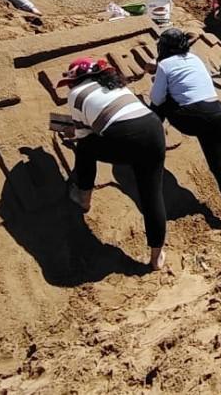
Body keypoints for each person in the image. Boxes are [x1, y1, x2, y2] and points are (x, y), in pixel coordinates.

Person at [58, 57, 166, 271]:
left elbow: (84, 135)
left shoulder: (76, 94)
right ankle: (156, 257)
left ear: (76, 81)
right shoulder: (117, 85)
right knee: (151, 195)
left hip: (124, 138)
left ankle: (83, 197)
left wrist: (72, 131)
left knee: (85, 147)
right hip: (153, 129)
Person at [149, 28, 221, 227]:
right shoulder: (195, 58)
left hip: (190, 118)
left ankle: (149, 137)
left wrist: (158, 76)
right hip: (215, 114)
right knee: (219, 166)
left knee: (162, 102)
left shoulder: (165, 65)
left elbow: (157, 98)